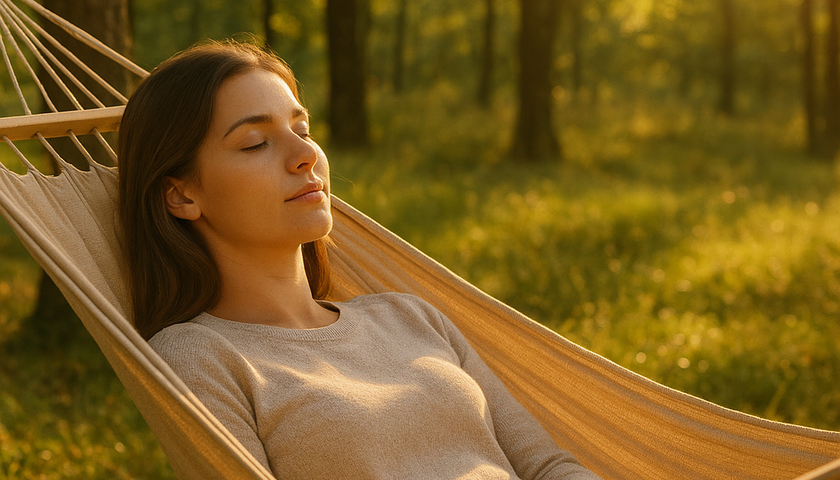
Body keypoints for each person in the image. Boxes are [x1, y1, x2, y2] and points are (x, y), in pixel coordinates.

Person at [117, 40, 601, 479]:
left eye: (302, 129)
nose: (305, 153)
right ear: (180, 196)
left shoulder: (410, 317)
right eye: (255, 143)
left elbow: (547, 467)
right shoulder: (202, 356)